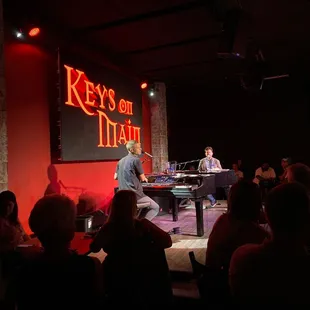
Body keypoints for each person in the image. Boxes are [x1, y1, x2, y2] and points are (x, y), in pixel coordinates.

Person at [114, 140, 159, 221]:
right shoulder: (136, 160)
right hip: (135, 195)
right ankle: (142, 225)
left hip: (123, 196)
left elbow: (115, 177)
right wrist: (146, 179)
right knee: (155, 207)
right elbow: (143, 179)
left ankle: (137, 223)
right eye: (138, 148)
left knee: (143, 208)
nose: (140, 149)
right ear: (131, 150)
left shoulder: (120, 161)